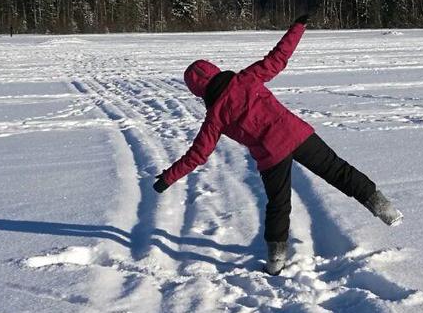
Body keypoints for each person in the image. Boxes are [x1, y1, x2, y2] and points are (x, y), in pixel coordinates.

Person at [152, 16, 402, 273]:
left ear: (198, 92)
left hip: (271, 156)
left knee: (278, 205)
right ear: (215, 70)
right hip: (297, 135)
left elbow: (198, 154)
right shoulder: (246, 79)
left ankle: (276, 260)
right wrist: (298, 27)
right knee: (338, 171)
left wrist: (167, 179)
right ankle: (383, 206)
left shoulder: (214, 117)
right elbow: (278, 58)